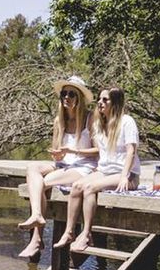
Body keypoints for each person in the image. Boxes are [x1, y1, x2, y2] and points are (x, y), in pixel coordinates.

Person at [54, 86, 141, 256]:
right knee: (77, 186)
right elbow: (100, 152)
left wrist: (125, 176)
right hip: (105, 171)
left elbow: (131, 151)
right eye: (100, 99)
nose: (100, 103)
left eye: (105, 100)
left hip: (126, 174)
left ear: (115, 103)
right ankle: (69, 232)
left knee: (89, 188)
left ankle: (86, 234)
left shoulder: (127, 121)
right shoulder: (100, 124)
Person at [17, 76, 98, 260]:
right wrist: (58, 155)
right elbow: (56, 152)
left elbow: (99, 151)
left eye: (71, 94)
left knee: (43, 183)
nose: (66, 97)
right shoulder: (58, 121)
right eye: (64, 94)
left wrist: (73, 150)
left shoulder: (90, 118)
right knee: (32, 168)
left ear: (79, 98)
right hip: (63, 165)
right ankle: (37, 216)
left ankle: (37, 238)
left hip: (84, 166)